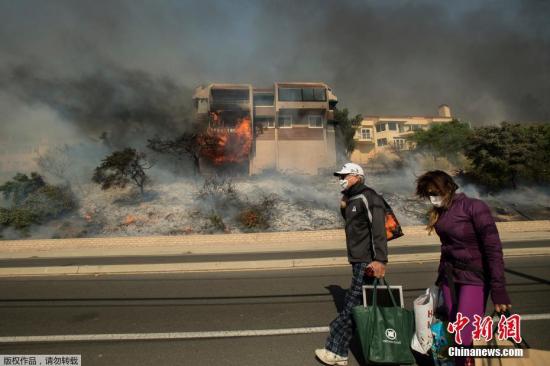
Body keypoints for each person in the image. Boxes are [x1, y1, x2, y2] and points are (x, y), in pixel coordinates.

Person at [416, 170, 511, 366]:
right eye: (429, 194)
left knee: (464, 335)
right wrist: (439, 279)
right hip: (450, 279)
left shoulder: (474, 207)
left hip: (474, 278)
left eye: (435, 192)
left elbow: (493, 248)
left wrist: (499, 290)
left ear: (449, 188)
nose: (432, 198)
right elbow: (447, 247)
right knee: (453, 331)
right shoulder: (441, 212)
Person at [315, 163, 388, 366]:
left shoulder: (368, 196)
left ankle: (335, 351)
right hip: (358, 259)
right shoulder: (352, 198)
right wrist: (343, 207)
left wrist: (380, 260)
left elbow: (378, 230)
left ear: (356, 176)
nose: (341, 179)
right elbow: (354, 224)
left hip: (367, 260)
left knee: (349, 309)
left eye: (344, 175)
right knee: (357, 307)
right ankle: (346, 353)